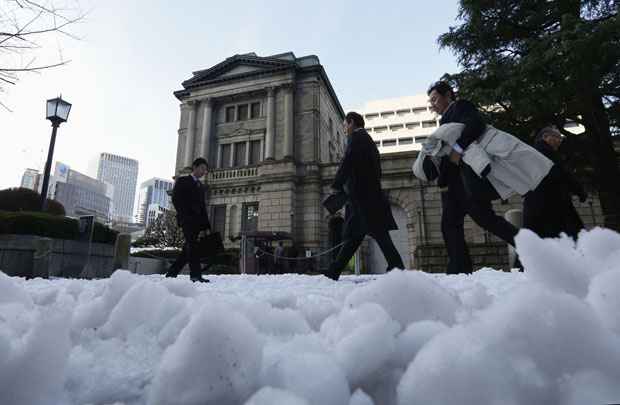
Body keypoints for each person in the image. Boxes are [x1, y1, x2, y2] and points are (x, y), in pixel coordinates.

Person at [427, 81, 521, 274]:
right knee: (449, 225)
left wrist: (457, 150)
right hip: (453, 184)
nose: (432, 104)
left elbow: (476, 124)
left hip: (467, 178)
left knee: (486, 220)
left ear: (448, 96)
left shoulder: (461, 106)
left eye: (435, 99)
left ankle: (529, 246)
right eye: (431, 101)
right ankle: (459, 270)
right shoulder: (444, 121)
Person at [323, 112, 405, 280]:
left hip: (363, 199)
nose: (344, 129)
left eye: (345, 125)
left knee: (378, 234)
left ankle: (397, 267)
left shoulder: (357, 138)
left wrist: (336, 185)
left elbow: (347, 161)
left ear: (352, 123)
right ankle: (334, 271)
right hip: (365, 198)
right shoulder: (367, 140)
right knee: (354, 237)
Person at [524, 126, 587, 238]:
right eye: (557, 137)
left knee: (536, 238)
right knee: (571, 236)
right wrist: (579, 191)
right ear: (545, 137)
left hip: (535, 203)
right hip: (553, 202)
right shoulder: (546, 152)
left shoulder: (531, 152)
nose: (560, 141)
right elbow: (562, 174)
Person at [165, 157, 211, 283]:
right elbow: (176, 199)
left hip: (197, 222)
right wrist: (185, 215)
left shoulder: (200, 186)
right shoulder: (183, 180)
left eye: (205, 170)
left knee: (188, 249)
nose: (204, 172)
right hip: (187, 220)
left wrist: (206, 226)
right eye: (202, 168)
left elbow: (202, 207)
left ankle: (171, 273)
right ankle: (195, 275)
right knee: (193, 246)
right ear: (195, 167)